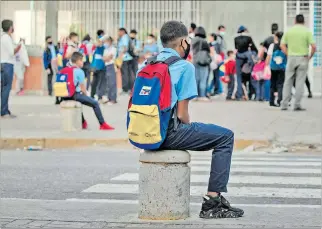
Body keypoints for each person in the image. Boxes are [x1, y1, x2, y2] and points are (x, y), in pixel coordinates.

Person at [153, 20, 243, 218]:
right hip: (168, 133)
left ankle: (214, 202)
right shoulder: (184, 66)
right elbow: (182, 114)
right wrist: (189, 129)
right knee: (225, 137)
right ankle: (212, 202)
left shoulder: (150, 63)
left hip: (145, 133)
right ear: (184, 42)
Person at [61, 52, 114, 130]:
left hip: (64, 96)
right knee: (95, 103)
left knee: (81, 101)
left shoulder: (64, 70)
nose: (83, 62)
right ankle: (102, 124)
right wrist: (88, 96)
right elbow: (83, 88)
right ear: (77, 61)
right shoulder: (79, 71)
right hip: (74, 95)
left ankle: (83, 123)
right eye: (81, 60)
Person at [280, 14, 316, 111]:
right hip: (303, 58)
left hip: (291, 58)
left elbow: (282, 45)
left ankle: (284, 104)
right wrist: (309, 57)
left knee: (288, 81)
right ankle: (297, 104)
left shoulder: (289, 31)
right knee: (300, 81)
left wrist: (288, 54)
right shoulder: (307, 32)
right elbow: (313, 47)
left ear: (295, 21)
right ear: (304, 21)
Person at [1, 19, 21, 118]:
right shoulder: (6, 38)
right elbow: (11, 52)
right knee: (6, 89)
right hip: (7, 65)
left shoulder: (2, 37)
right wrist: (19, 46)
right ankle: (4, 112)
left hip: (3, 64)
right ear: (10, 27)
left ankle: (5, 110)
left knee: (4, 88)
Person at [234, 25, 258, 101]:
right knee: (251, 76)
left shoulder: (236, 39)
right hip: (247, 59)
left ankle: (240, 95)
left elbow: (236, 48)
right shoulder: (249, 38)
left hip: (239, 57)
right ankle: (252, 94)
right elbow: (254, 48)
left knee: (239, 76)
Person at [266, 31, 286, 107]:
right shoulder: (285, 46)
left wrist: (266, 65)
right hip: (282, 67)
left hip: (273, 67)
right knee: (280, 84)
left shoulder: (272, 45)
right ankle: (280, 100)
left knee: (272, 84)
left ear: (276, 37)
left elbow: (268, 57)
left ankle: (271, 101)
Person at [192, 26, 211, 101]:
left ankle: (195, 96)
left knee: (196, 79)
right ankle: (202, 95)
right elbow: (208, 51)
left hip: (195, 60)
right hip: (204, 61)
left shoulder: (193, 40)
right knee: (203, 79)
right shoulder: (204, 41)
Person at [117, 28, 137, 94]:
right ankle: (129, 88)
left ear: (122, 31)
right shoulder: (126, 37)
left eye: (119, 31)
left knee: (125, 74)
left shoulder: (124, 37)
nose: (118, 33)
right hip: (127, 58)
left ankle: (126, 89)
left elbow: (125, 47)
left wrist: (120, 56)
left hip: (125, 58)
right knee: (128, 74)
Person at [43, 36, 61, 104]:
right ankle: (50, 92)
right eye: (49, 39)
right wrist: (46, 67)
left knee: (57, 78)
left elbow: (59, 54)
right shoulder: (46, 49)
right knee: (49, 78)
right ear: (47, 41)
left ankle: (57, 91)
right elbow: (44, 59)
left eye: (51, 39)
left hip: (56, 63)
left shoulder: (55, 47)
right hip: (50, 64)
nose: (50, 40)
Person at [90, 35, 106, 100]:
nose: (98, 42)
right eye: (97, 41)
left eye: (99, 41)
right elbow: (94, 59)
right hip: (95, 68)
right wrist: (92, 66)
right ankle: (92, 95)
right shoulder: (95, 49)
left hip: (101, 68)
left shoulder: (103, 48)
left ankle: (100, 96)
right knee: (94, 82)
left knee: (101, 83)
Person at [103, 36, 117, 104]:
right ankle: (109, 98)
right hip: (107, 66)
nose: (105, 43)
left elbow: (109, 58)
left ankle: (113, 99)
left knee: (112, 83)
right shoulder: (105, 50)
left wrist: (106, 58)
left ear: (110, 41)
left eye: (106, 41)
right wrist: (106, 58)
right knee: (108, 83)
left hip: (112, 66)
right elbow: (104, 58)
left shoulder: (113, 49)